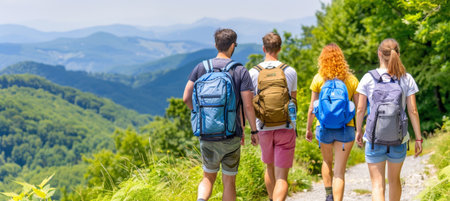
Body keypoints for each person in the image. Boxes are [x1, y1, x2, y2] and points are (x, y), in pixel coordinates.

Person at [182, 28, 259, 201]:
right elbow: (248, 105)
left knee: (208, 177)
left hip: (207, 134)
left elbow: (186, 97)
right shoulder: (240, 71)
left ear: (215, 45)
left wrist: (201, 115)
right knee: (229, 182)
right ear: (233, 46)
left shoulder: (201, 67)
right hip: (231, 135)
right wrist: (253, 131)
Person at [355, 38, 423, 201]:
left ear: (379, 54)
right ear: (398, 54)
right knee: (394, 181)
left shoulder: (368, 78)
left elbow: (360, 109)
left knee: (377, 185)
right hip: (398, 139)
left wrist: (358, 131)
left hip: (373, 138)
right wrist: (418, 138)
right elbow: (413, 111)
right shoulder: (406, 78)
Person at [306, 43, 359, 201]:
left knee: (326, 162)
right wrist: (360, 130)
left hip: (323, 128)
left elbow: (312, 108)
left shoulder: (318, 79)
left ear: (322, 59)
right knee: (339, 171)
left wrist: (308, 129)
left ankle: (329, 195)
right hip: (345, 128)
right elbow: (358, 108)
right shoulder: (351, 80)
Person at [249, 32, 297, 201]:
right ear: (280, 49)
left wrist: (252, 130)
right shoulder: (289, 71)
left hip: (263, 127)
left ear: (264, 48)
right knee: (282, 177)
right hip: (285, 127)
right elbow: (293, 102)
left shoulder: (253, 72)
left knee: (269, 169)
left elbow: (250, 103)